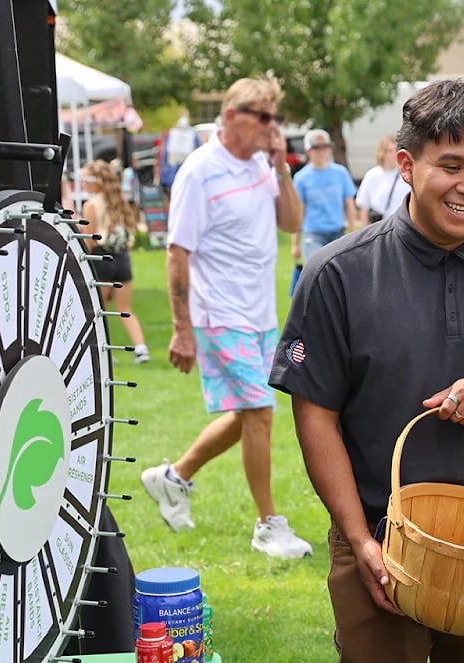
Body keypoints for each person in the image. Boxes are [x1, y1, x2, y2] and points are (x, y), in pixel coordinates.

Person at [269, 78, 464, 662]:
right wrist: (360, 541)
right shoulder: (339, 273)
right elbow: (316, 418)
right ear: (407, 165)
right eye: (452, 166)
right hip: (383, 542)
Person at [140, 76, 311, 559]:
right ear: (232, 116)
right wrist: (180, 329)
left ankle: (174, 478)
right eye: (263, 116)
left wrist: (280, 168)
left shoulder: (261, 163)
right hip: (219, 313)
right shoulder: (199, 171)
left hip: (260, 313)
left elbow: (292, 222)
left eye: (275, 117)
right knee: (260, 411)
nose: (272, 126)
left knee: (246, 412)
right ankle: (268, 525)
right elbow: (177, 253)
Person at [79, 160, 149, 364]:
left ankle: (103, 352)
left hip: (103, 259)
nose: (83, 184)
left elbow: (89, 240)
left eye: (86, 179)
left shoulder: (91, 205)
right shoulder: (118, 201)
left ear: (97, 182)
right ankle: (141, 348)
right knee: (125, 308)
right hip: (122, 259)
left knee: (98, 310)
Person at [291, 128, 358, 263]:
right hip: (313, 233)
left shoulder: (341, 173)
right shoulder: (301, 178)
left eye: (325, 147)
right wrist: (295, 243)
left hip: (337, 232)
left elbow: (349, 205)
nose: (322, 152)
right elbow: (299, 211)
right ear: (308, 150)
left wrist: (353, 233)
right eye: (317, 148)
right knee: (316, 271)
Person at [355, 134, 411, 225]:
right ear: (382, 153)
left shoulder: (405, 174)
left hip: (402, 224)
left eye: (396, 150)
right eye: (390, 150)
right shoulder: (372, 175)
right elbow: (364, 207)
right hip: (380, 225)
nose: (393, 153)